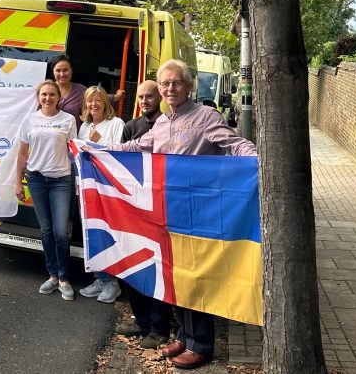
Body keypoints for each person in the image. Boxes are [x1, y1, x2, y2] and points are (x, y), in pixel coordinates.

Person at [107, 61, 257, 371]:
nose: (170, 89)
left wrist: (257, 158)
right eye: (164, 84)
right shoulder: (161, 122)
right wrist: (101, 150)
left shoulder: (205, 117)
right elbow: (139, 146)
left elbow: (234, 144)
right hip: (168, 211)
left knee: (198, 278)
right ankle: (186, 337)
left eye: (176, 83)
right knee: (177, 276)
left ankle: (202, 345)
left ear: (189, 86)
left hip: (198, 215)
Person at [111, 80, 178, 350]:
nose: (144, 101)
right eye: (140, 97)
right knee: (133, 265)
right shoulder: (130, 127)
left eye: (149, 96)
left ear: (159, 97)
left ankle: (160, 327)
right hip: (134, 206)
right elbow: (120, 162)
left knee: (157, 269)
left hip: (160, 207)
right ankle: (141, 321)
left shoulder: (167, 125)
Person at [14, 80, 79, 301]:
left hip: (61, 181)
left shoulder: (68, 120)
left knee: (61, 232)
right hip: (36, 180)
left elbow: (75, 152)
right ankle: (52, 276)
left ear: (59, 97)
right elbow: (22, 153)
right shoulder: (29, 119)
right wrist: (17, 182)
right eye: (44, 95)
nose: (48, 98)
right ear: (38, 97)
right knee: (46, 231)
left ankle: (65, 279)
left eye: (52, 94)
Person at [77, 85, 126, 304]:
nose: (93, 104)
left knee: (108, 234)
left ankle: (112, 283)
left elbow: (120, 155)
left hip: (108, 189)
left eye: (98, 100)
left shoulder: (117, 124)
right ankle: (100, 278)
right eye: (90, 101)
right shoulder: (84, 126)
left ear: (106, 104)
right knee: (93, 233)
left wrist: (98, 143)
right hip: (88, 188)